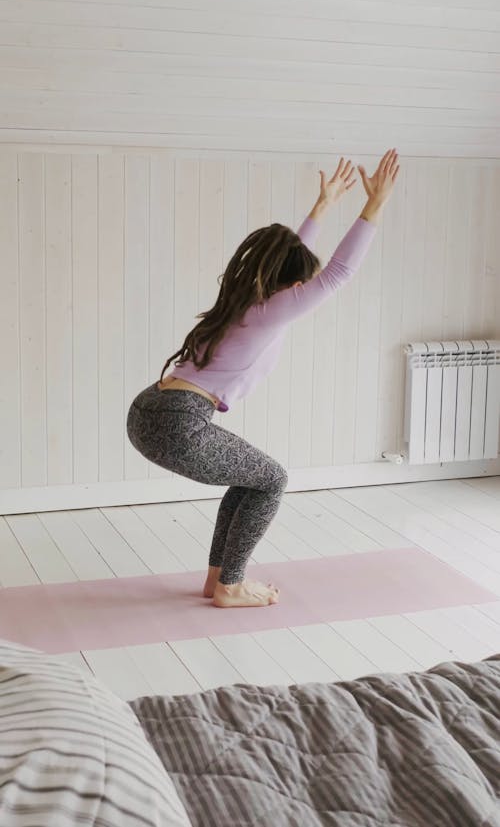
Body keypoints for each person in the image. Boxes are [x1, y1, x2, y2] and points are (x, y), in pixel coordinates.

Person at [127, 149, 400, 608]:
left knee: (251, 480)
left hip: (148, 409)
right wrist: (374, 206)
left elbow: (284, 259)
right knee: (272, 480)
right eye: (300, 282)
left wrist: (322, 206)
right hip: (179, 422)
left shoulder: (243, 298)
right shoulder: (273, 308)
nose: (303, 290)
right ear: (293, 285)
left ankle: (219, 581)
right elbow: (338, 273)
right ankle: (230, 587)